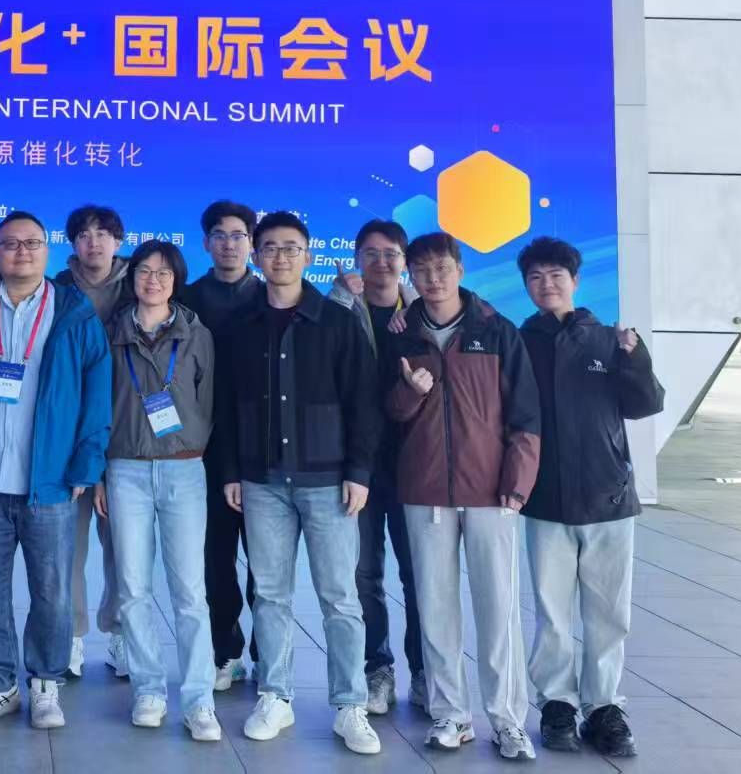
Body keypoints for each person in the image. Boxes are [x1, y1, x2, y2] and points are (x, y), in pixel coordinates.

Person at [215, 211, 383, 756]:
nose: (280, 257)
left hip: (328, 481)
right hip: (261, 481)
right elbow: (226, 406)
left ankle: (350, 704)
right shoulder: (241, 324)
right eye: (270, 248)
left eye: (291, 248)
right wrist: (231, 472)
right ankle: (276, 695)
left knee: (340, 596)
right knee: (270, 594)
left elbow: (364, 402)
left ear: (307, 256)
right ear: (257, 257)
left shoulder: (337, 321)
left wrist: (359, 472)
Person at [386, 232, 541, 760]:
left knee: (499, 610)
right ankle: (450, 714)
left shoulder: (497, 331)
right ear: (410, 275)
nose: (433, 279)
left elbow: (525, 415)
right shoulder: (401, 336)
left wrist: (517, 484)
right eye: (422, 270)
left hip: (491, 492)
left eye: (443, 268)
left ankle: (508, 720)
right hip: (424, 489)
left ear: (460, 269)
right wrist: (411, 392)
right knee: (435, 607)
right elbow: (389, 412)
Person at [0, 211, 111, 730]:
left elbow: (97, 395)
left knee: (52, 590)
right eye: (10, 244)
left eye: (32, 243)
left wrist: (86, 464)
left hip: (50, 482)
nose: (21, 252)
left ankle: (46, 682)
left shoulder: (75, 312)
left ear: (47, 251)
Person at [517, 237, 664, 759]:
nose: (547, 285)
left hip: (609, 496)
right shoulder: (520, 342)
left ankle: (603, 707)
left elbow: (645, 404)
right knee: (552, 612)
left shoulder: (609, 339)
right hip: (546, 499)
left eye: (556, 275)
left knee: (607, 613)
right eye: (536, 277)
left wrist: (634, 357)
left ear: (575, 282)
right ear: (526, 286)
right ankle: (557, 704)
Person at [95, 240, 221, 740]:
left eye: (163, 273)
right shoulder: (110, 333)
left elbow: (207, 402)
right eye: (145, 271)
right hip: (124, 470)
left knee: (190, 591)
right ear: (132, 279)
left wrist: (191, 444)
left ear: (176, 280)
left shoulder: (196, 334)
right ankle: (148, 688)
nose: (153, 280)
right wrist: (100, 473)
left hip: (183, 470)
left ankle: (199, 699)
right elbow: (98, 405)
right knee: (132, 587)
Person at [328, 219, 425, 714]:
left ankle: (425, 672)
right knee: (365, 574)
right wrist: (339, 300)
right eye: (370, 253)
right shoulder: (343, 309)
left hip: (416, 466)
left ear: (404, 261)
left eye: (391, 254)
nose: (381, 262)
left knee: (418, 573)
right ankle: (377, 669)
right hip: (359, 465)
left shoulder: (426, 313)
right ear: (356, 258)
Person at [179, 199, 265, 690]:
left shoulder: (273, 297)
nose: (229, 244)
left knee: (266, 560)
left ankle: (267, 651)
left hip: (265, 447)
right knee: (215, 557)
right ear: (206, 242)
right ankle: (225, 650)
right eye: (219, 235)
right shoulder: (187, 299)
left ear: (251, 243)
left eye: (238, 235)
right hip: (205, 449)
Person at [55, 203, 129, 677]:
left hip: (125, 433)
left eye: (103, 234)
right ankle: (72, 635)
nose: (93, 242)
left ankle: (120, 632)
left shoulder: (141, 285)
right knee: (67, 547)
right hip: (67, 436)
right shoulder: (56, 290)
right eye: (83, 235)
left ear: (117, 242)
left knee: (123, 546)